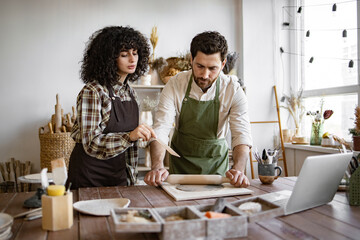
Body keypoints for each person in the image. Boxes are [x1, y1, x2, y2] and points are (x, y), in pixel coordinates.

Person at [144, 31, 252, 187]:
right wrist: (157, 166)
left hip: (215, 167)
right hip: (181, 166)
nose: (205, 75)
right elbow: (161, 128)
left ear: (223, 64)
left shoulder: (233, 90)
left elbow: (241, 134)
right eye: (200, 66)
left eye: (213, 68)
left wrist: (239, 170)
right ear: (191, 60)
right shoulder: (175, 84)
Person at [67, 26, 156, 189]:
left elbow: (130, 151)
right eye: (124, 54)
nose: (132, 59)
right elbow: (91, 143)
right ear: (108, 58)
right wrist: (129, 137)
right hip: (88, 178)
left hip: (117, 177)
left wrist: (131, 179)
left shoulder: (130, 93)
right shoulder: (93, 91)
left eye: (135, 53)